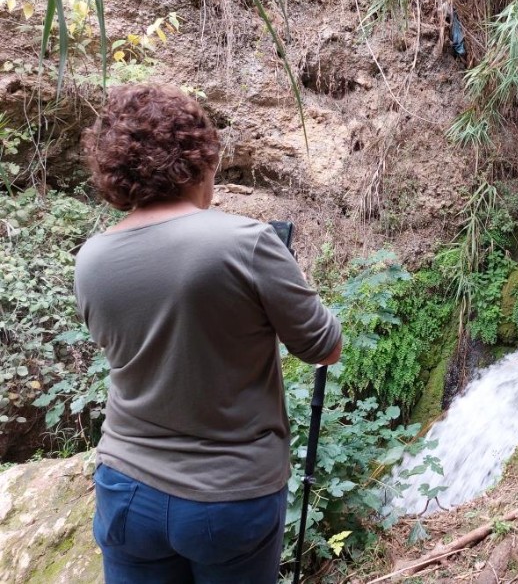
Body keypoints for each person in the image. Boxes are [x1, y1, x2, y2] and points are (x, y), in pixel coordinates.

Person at [74, 84, 342, 583]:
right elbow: (324, 348)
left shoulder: (91, 260)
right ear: (200, 160)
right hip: (229, 496)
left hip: (126, 487)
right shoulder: (244, 242)